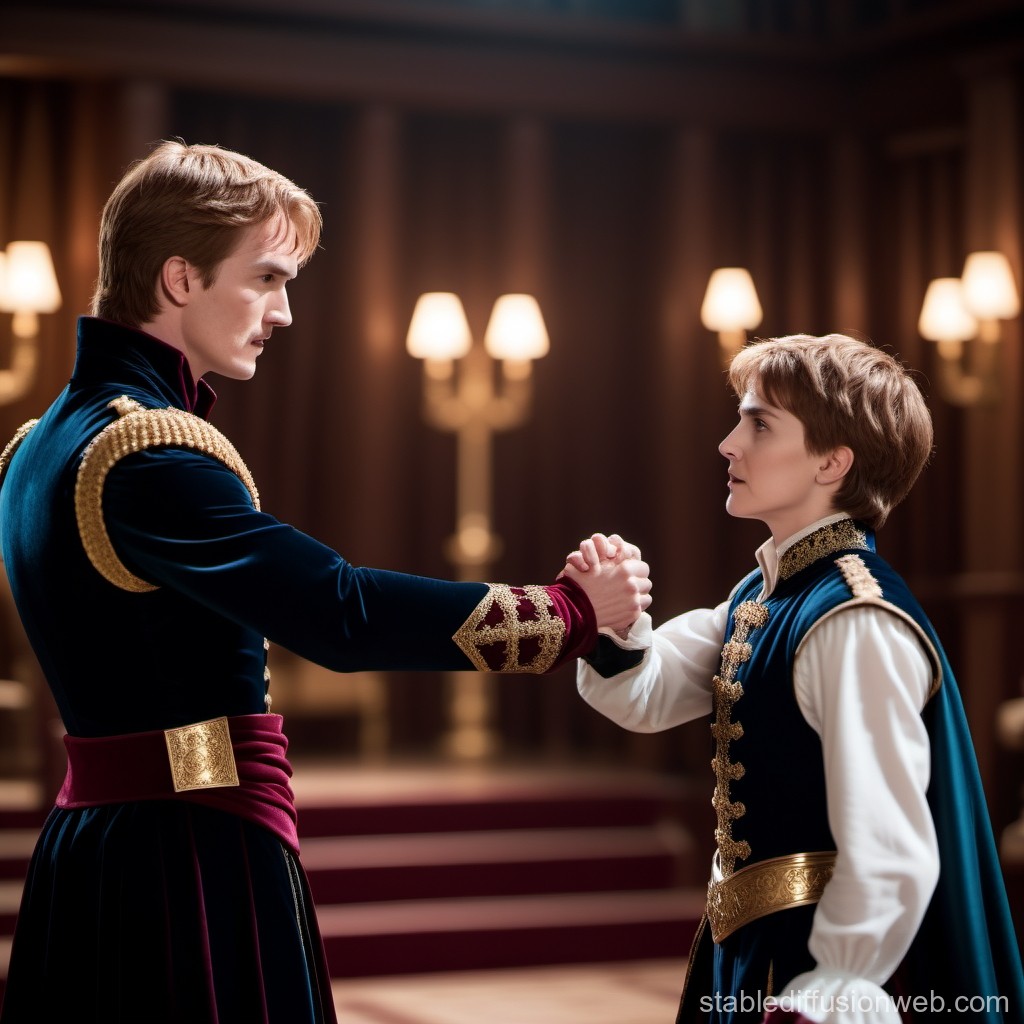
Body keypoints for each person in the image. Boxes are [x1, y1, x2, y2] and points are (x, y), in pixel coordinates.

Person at [0, 140, 651, 1024]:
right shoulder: (145, 452)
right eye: (266, 279)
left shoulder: (39, 443)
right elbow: (341, 613)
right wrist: (571, 613)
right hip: (187, 859)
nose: (284, 312)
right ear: (180, 279)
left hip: (96, 849)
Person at [564, 334, 1024, 1023]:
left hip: (805, 967)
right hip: (749, 950)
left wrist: (832, 988)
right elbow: (646, 693)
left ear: (832, 462)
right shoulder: (768, 592)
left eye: (758, 423)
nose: (728, 443)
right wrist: (613, 617)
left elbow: (889, 842)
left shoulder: (851, 617)